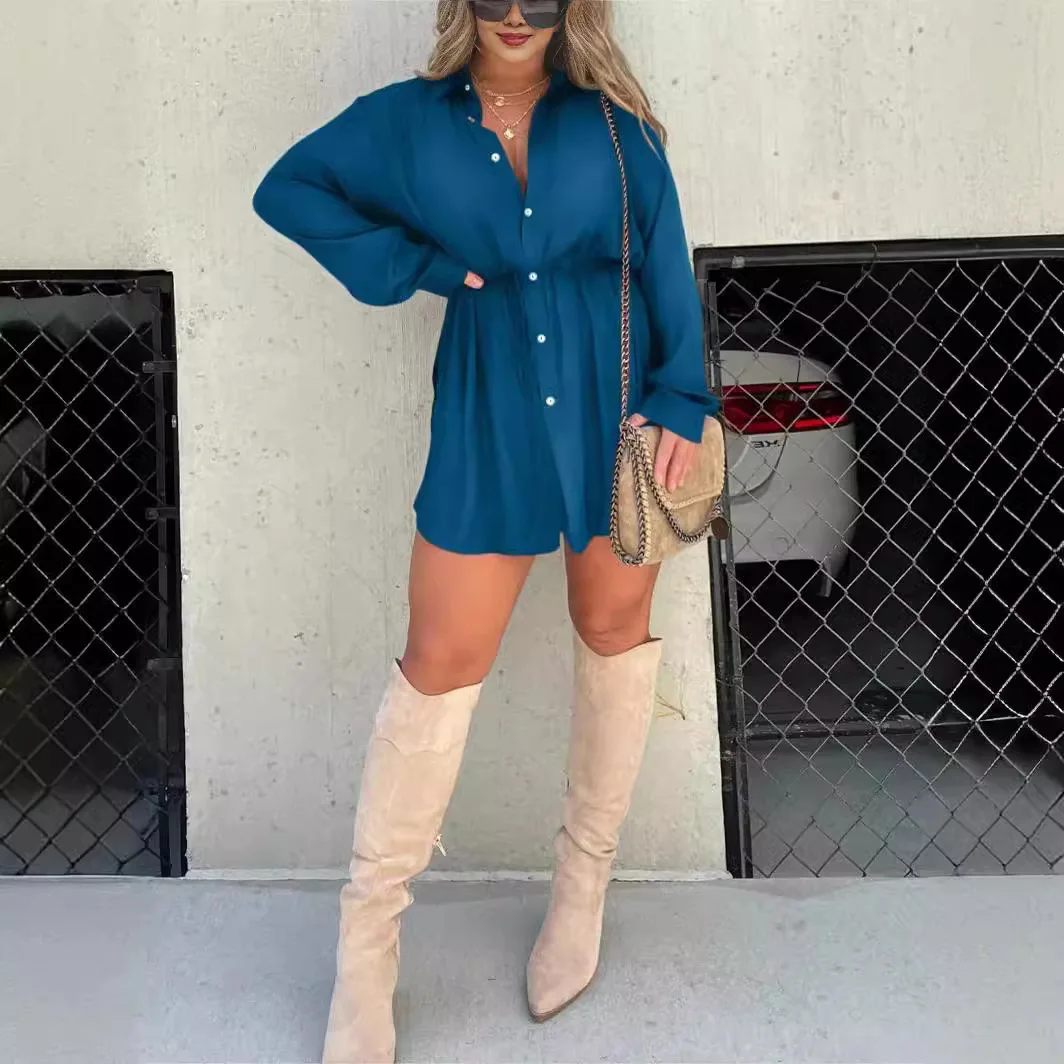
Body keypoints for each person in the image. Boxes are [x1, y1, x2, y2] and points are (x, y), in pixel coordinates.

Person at [253, 1, 718, 1060]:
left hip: (615, 411)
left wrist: (683, 399)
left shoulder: (612, 126)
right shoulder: (406, 123)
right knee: (439, 663)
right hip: (487, 408)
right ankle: (366, 951)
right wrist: (414, 264)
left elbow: (664, 259)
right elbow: (287, 189)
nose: (515, 15)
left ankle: (581, 889)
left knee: (612, 637)